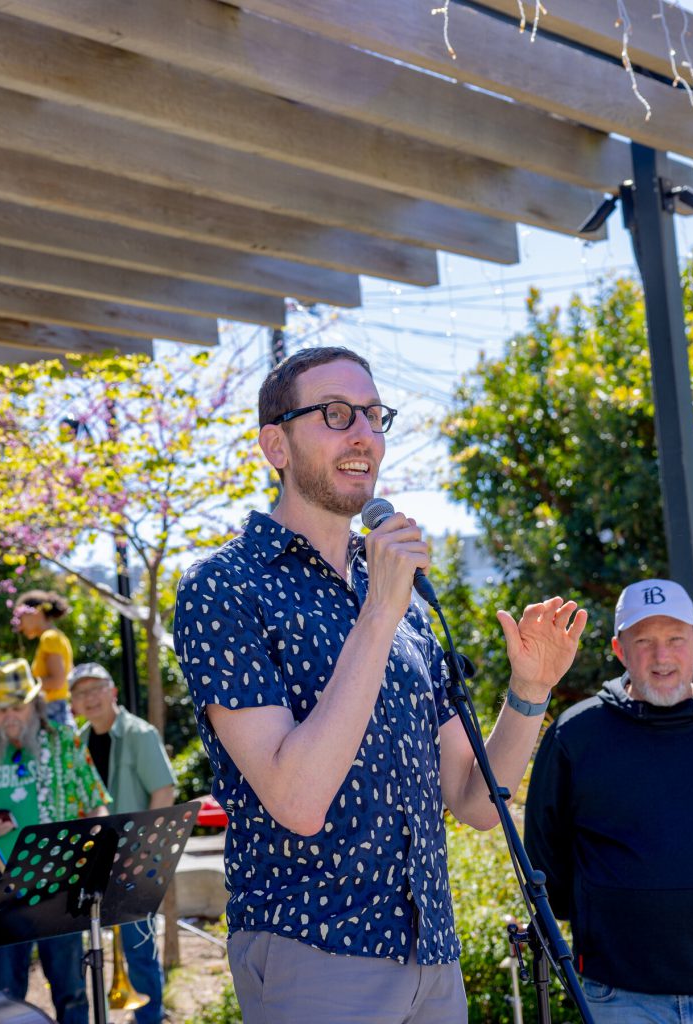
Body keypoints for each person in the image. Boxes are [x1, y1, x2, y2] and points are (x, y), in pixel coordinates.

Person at [174, 346, 587, 1024]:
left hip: (431, 957)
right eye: (336, 414)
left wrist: (530, 691)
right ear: (274, 445)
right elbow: (298, 800)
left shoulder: (402, 602)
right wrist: (379, 614)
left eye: (373, 414)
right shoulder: (224, 586)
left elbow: (476, 802)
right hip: (314, 953)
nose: (364, 432)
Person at [524, 578, 693, 1024]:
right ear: (619, 649)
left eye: (675, 639)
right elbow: (545, 854)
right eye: (643, 641)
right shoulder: (576, 735)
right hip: (621, 991)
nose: (661, 656)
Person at [0, 657, 110, 1024]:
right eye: (0, 709)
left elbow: (97, 805)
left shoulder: (65, 743)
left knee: (71, 992)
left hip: (60, 887)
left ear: (35, 704)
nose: (9, 716)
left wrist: (91, 859)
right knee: (3, 998)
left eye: (17, 706)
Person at [69, 662, 176, 1024]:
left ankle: (151, 1019)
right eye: (80, 692)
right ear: (74, 702)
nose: (89, 698)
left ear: (112, 691)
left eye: (95, 688)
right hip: (95, 863)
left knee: (139, 951)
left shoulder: (139, 733)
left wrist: (141, 849)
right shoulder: (77, 743)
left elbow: (164, 790)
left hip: (136, 859)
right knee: (96, 950)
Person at [12, 590, 75, 728]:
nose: (20, 626)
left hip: (53, 712)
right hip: (57, 709)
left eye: (20, 618)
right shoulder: (55, 636)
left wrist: (24, 686)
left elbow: (57, 681)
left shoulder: (50, 638)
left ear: (36, 613)